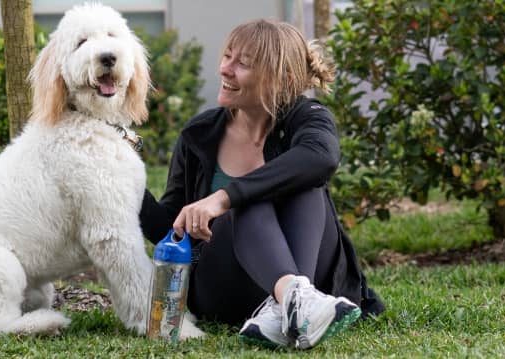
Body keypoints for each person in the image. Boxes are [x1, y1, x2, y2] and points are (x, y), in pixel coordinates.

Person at [140, 18, 385, 349]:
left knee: (299, 180)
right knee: (250, 200)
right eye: (227, 56)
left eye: (243, 64)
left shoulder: (307, 117)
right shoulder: (199, 135)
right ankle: (298, 304)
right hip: (224, 282)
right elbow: (171, 228)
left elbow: (321, 157)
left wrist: (224, 196)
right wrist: (120, 178)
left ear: (281, 78)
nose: (226, 69)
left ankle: (287, 303)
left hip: (311, 270)